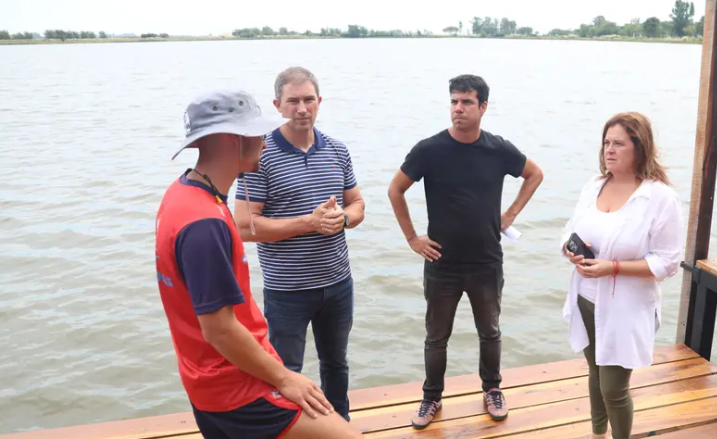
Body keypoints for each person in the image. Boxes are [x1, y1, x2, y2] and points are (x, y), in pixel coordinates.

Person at [154, 89, 362, 439]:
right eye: (257, 133)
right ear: (233, 140)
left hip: (205, 379)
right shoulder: (204, 222)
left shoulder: (182, 194)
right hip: (238, 386)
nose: (265, 142)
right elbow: (219, 329)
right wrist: (285, 378)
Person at [388, 74, 544, 429]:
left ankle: (492, 389)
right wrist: (413, 238)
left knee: (490, 331)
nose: (458, 109)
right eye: (454, 102)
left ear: (483, 107)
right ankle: (431, 398)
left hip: (487, 261)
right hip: (441, 262)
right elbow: (395, 190)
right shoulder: (429, 149)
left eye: (467, 102)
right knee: (436, 336)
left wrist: (511, 214)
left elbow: (534, 174)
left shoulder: (498, 149)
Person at [234, 67, 365, 421]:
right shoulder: (260, 155)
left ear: (319, 102)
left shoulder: (337, 150)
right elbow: (244, 226)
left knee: (336, 364)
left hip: (338, 285)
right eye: (293, 101)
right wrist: (308, 222)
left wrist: (345, 219)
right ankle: (284, 428)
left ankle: (340, 424)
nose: (302, 109)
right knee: (284, 370)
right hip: (287, 290)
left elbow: (358, 204)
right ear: (277, 105)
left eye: (309, 100)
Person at [558, 112, 684, 439]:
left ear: (639, 149)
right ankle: (597, 434)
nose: (608, 150)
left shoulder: (660, 198)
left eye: (618, 144)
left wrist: (612, 268)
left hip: (626, 307)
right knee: (595, 372)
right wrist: (571, 251)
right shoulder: (594, 185)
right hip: (586, 299)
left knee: (613, 387)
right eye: (605, 143)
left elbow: (668, 262)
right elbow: (569, 230)